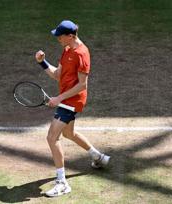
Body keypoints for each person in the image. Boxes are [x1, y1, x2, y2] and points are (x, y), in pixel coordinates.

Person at [34, 20, 110, 197]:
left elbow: (82, 85)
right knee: (69, 134)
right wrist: (42, 62)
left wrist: (59, 98)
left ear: (70, 36)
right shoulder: (67, 49)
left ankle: (62, 183)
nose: (57, 38)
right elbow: (57, 75)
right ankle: (98, 157)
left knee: (52, 137)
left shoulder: (81, 53)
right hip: (65, 99)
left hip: (72, 100)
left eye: (60, 36)